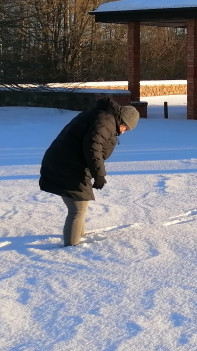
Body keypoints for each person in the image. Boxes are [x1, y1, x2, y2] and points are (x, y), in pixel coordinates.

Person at [39, 97, 139, 247]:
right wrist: (99, 174)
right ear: (123, 120)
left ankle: (79, 237)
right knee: (77, 209)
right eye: (126, 128)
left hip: (67, 163)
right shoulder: (106, 121)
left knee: (80, 205)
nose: (124, 132)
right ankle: (71, 248)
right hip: (67, 165)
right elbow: (93, 147)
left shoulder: (104, 117)